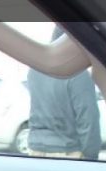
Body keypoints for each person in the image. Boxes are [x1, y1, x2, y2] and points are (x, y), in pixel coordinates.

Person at [26, 27, 101, 160]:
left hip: (35, 149)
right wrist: (91, 156)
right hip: (67, 153)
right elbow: (88, 118)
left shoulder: (35, 70)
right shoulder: (78, 75)